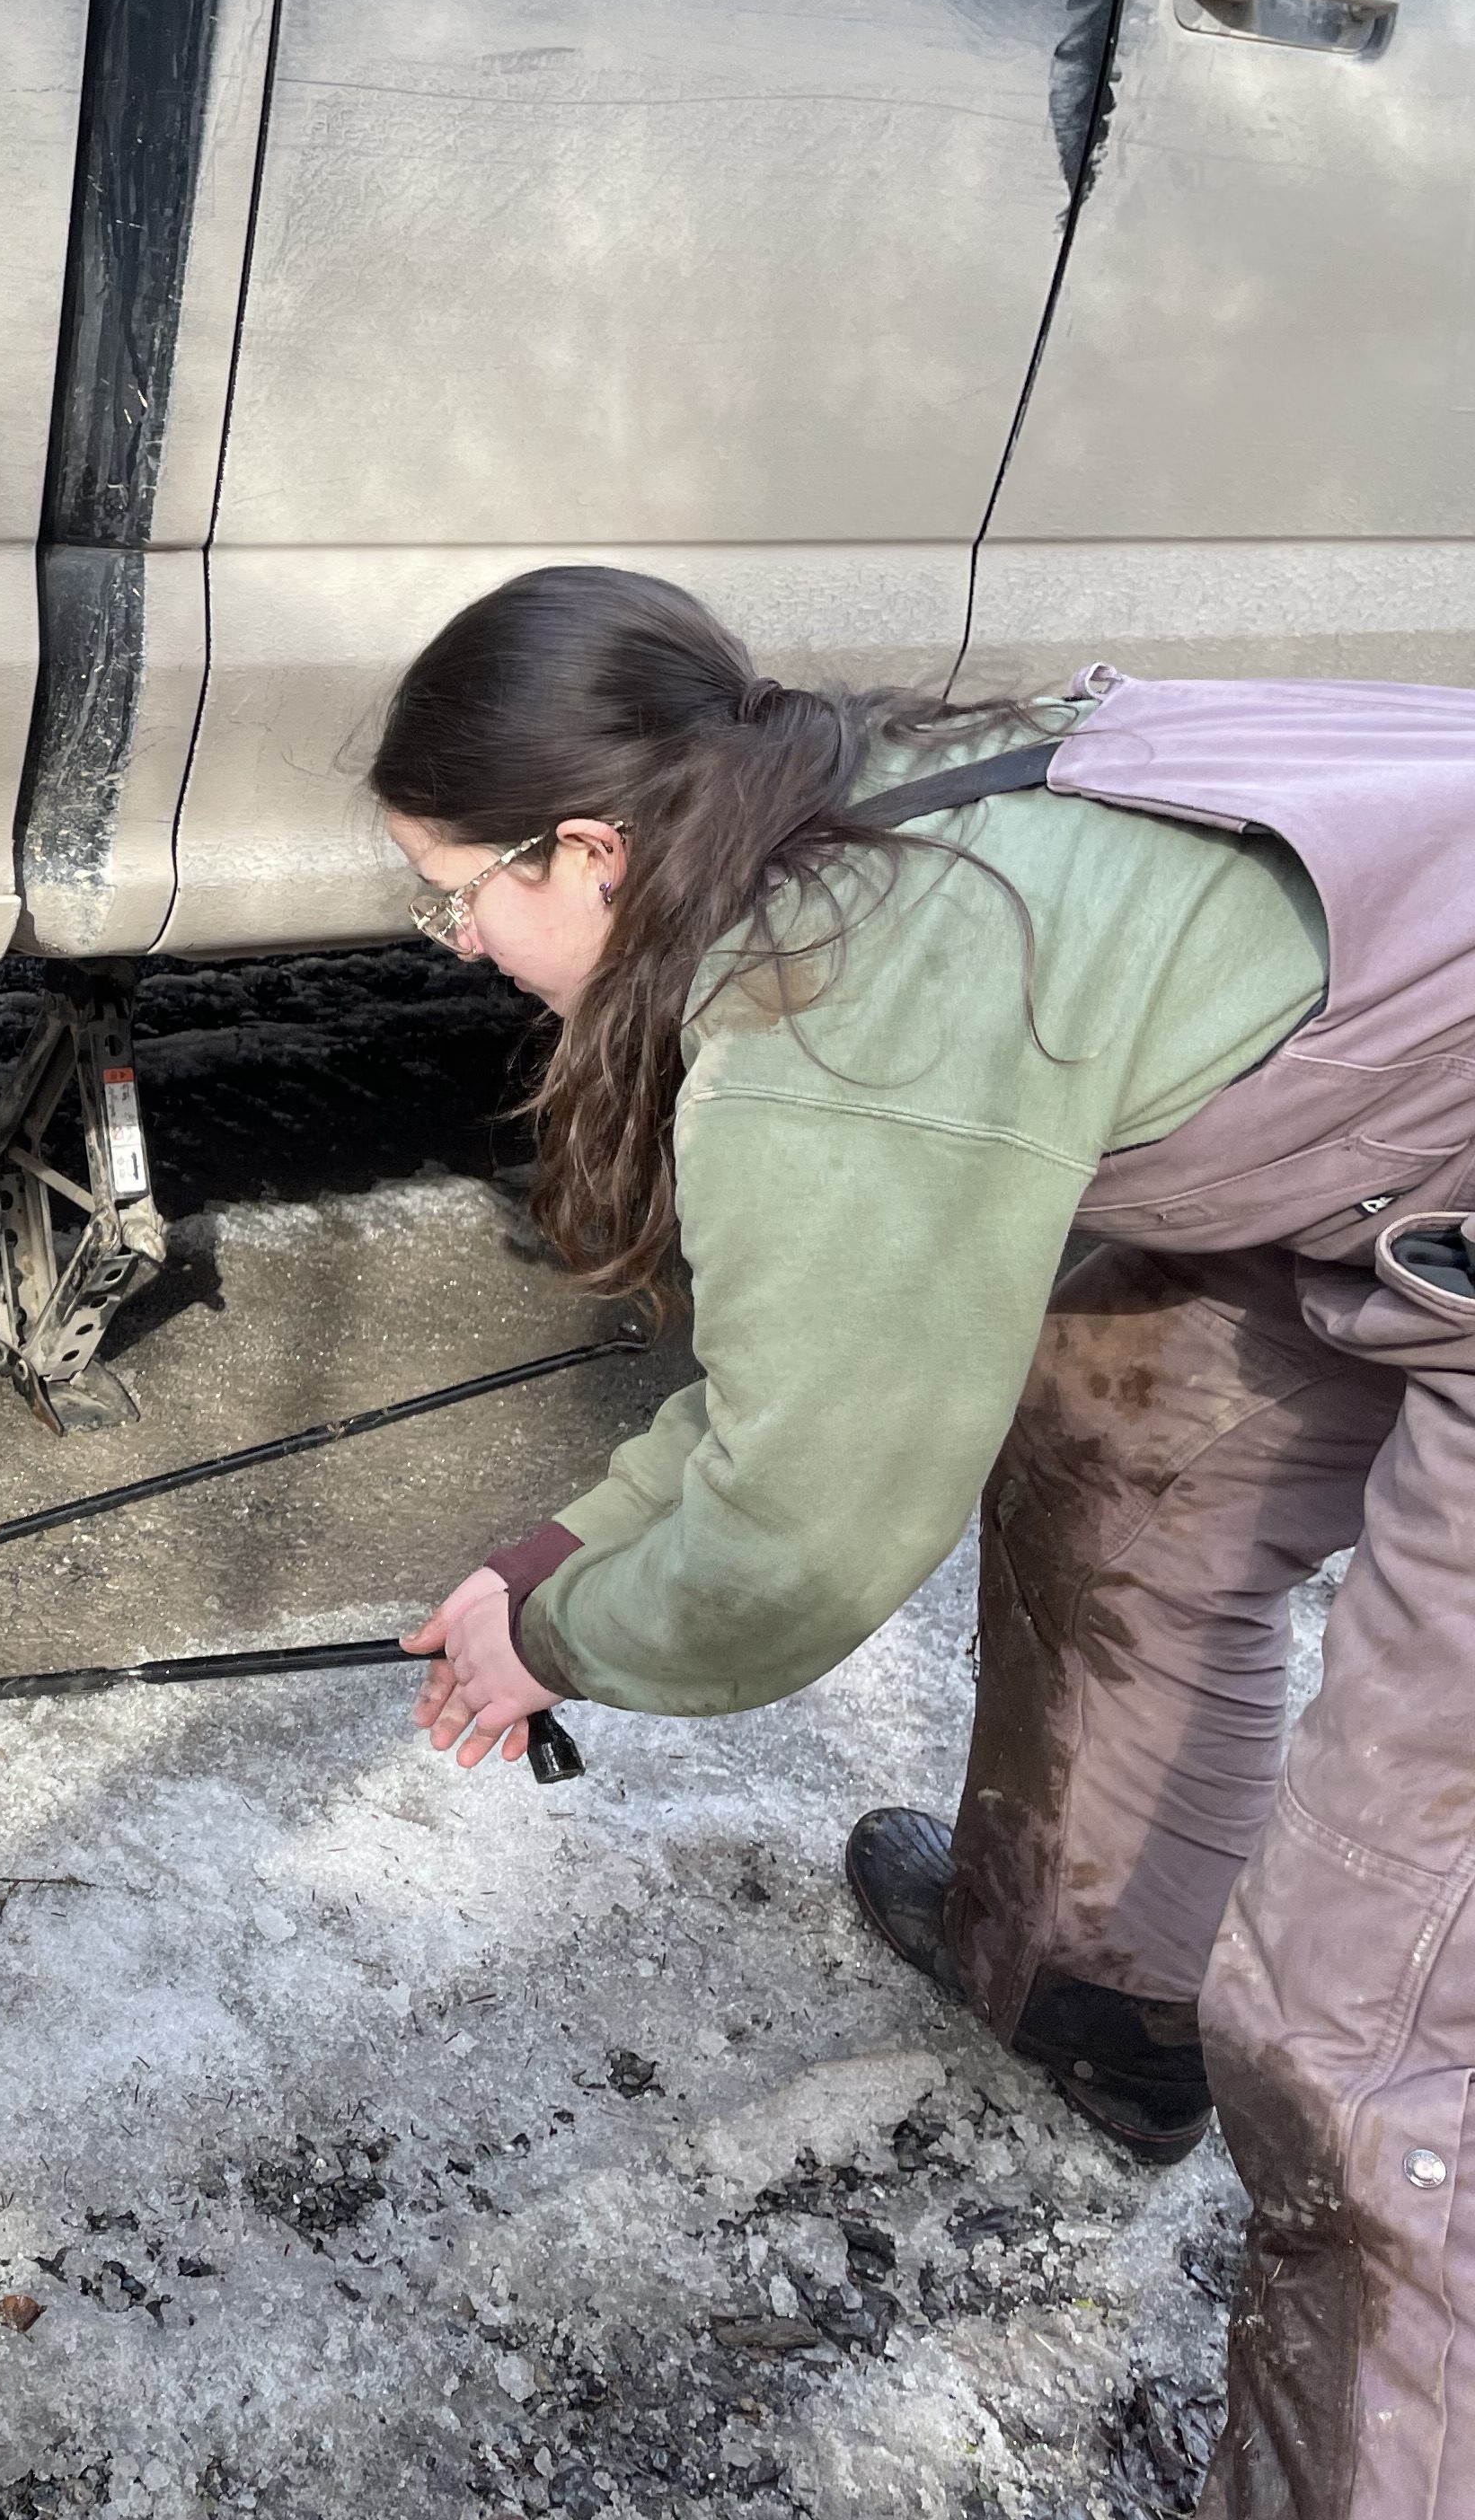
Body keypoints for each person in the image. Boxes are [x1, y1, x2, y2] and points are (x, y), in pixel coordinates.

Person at [370, 565, 1475, 2519]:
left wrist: (566, 1644)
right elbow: (810, 1381)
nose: (454, 941)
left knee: (1364, 2022)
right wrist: (558, 1556)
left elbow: (802, 1536)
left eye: (463, 890)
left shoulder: (838, 1021)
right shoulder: (826, 804)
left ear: (594, 847)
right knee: (1115, 1443)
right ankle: (1091, 1992)